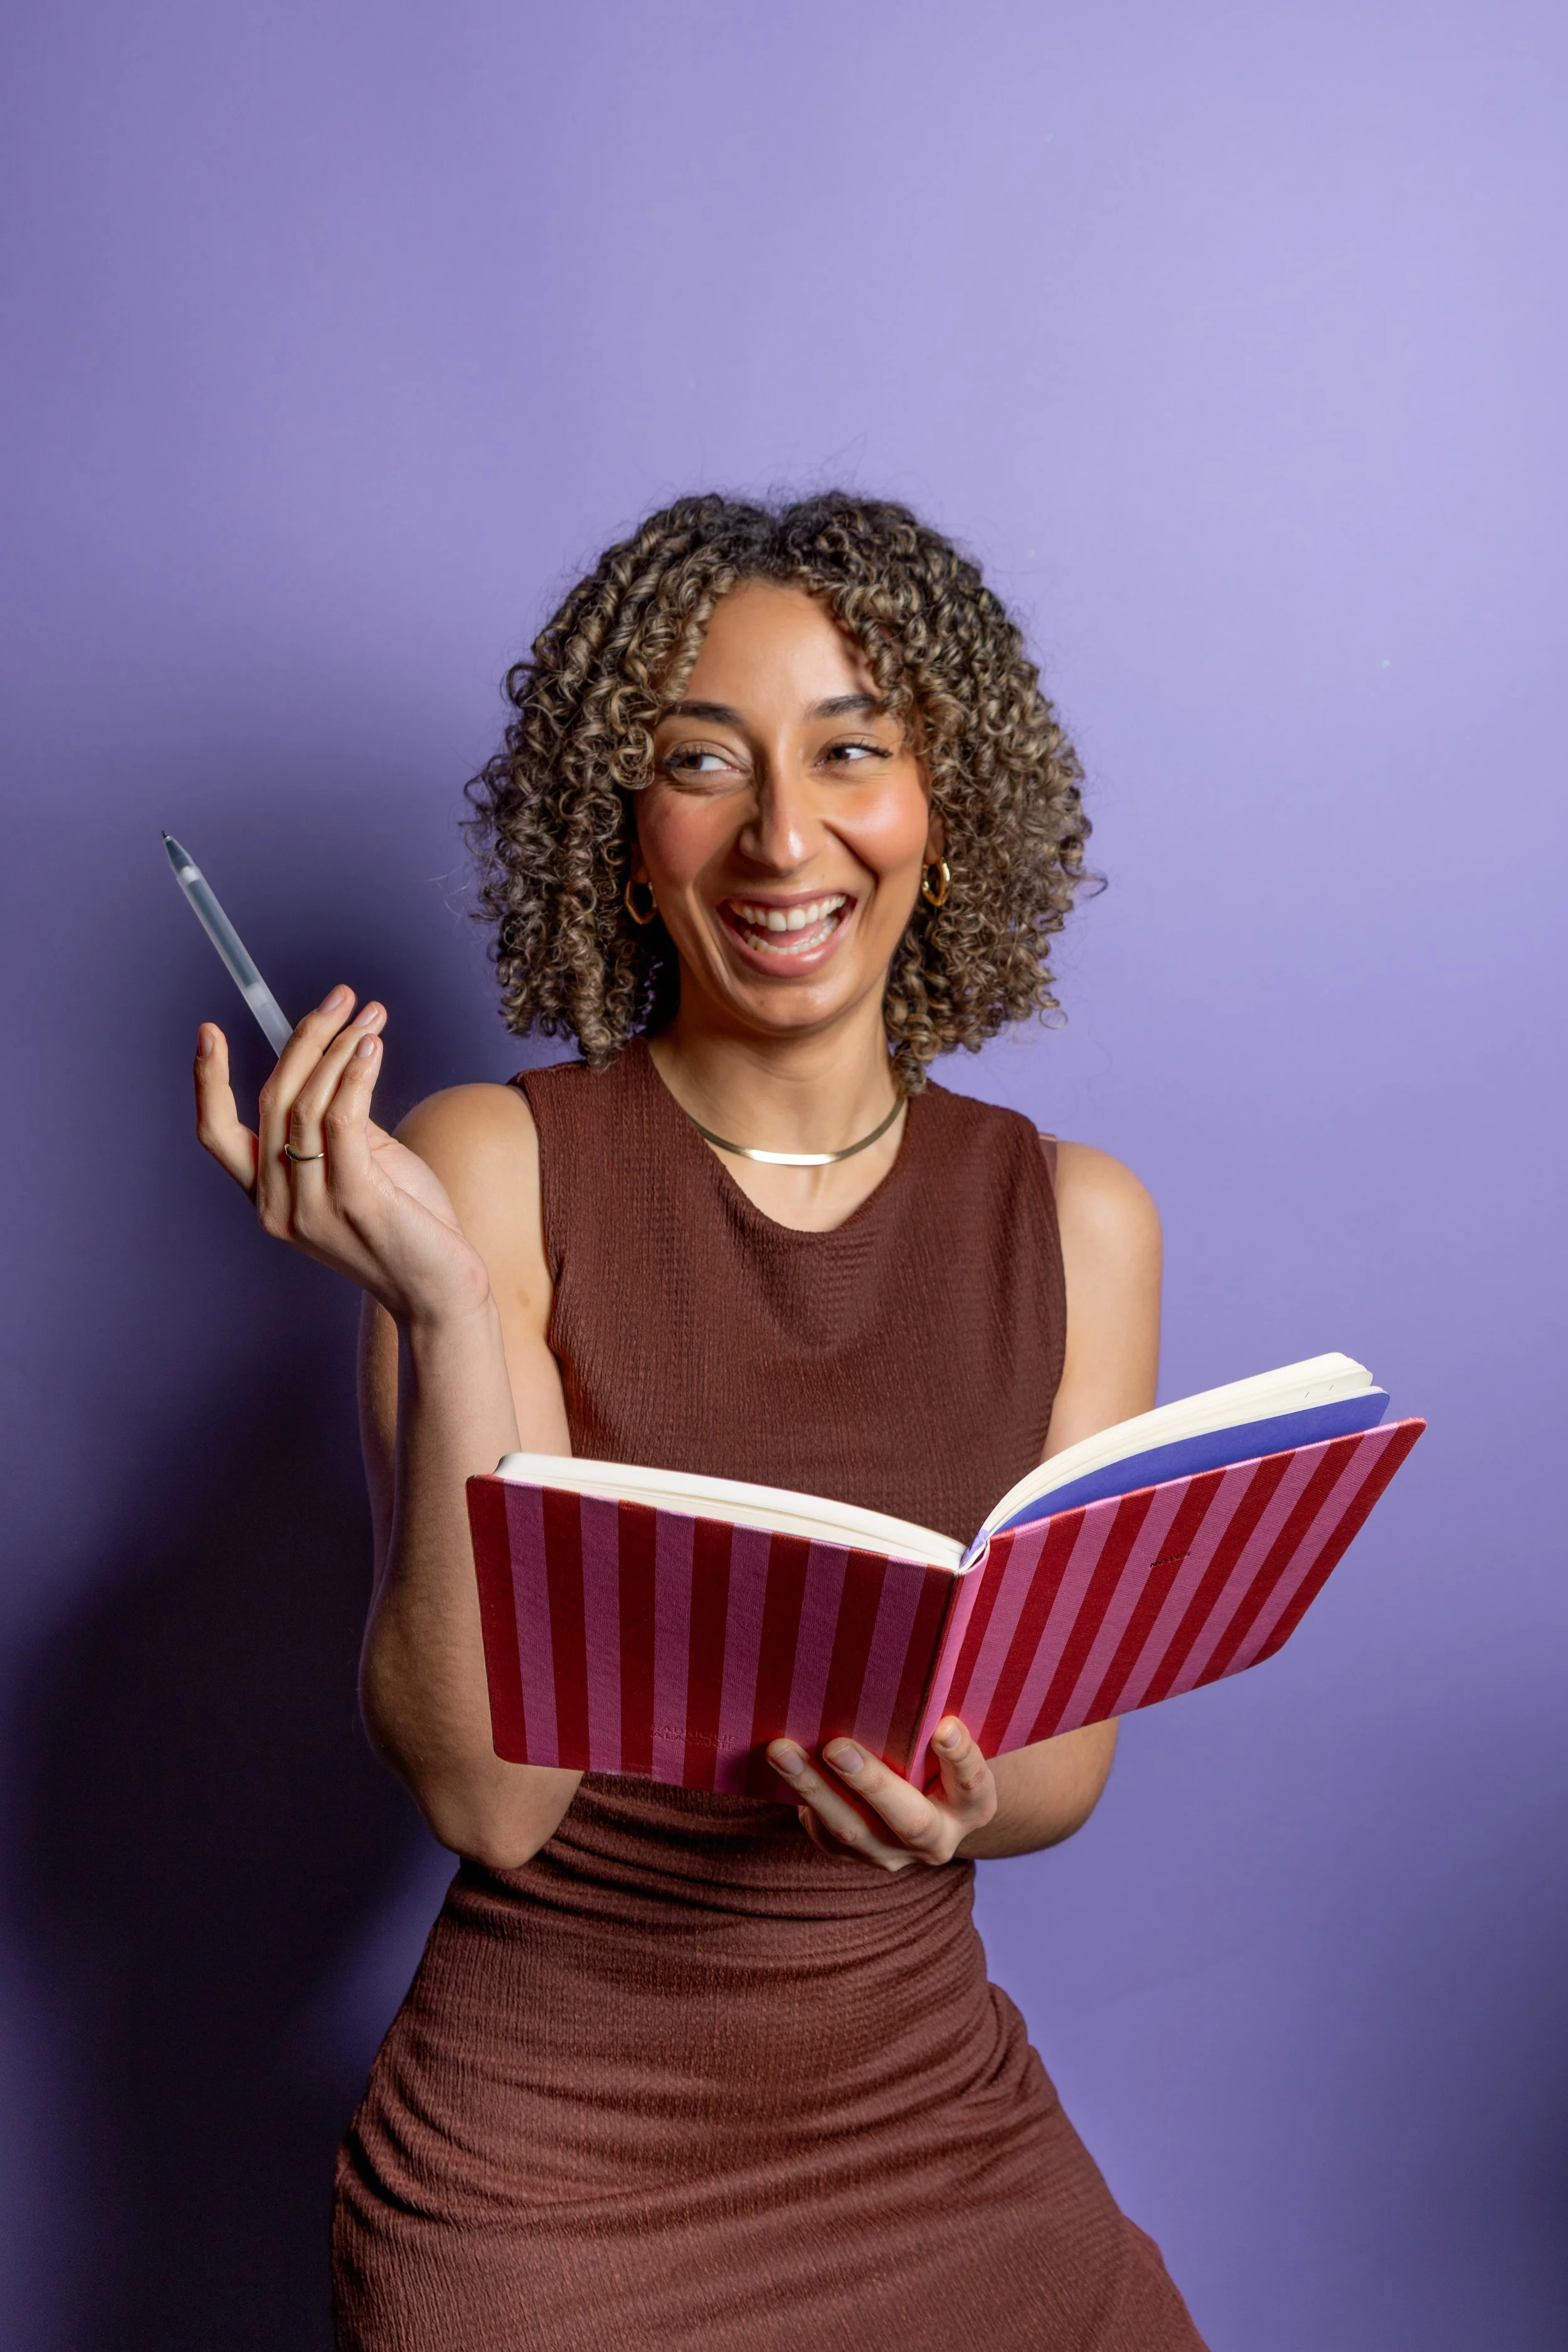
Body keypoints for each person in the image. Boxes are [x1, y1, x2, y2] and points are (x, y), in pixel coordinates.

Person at [193, 494, 1206, 2349]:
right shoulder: (487, 1169)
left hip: (934, 2134)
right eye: (699, 763)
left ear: (943, 805)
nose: (783, 834)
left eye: (849, 753)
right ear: (621, 827)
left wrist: (963, 1791)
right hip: (558, 2177)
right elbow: (490, 1801)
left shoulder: (1078, 1215)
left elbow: (1060, 1771)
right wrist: (436, 1301)